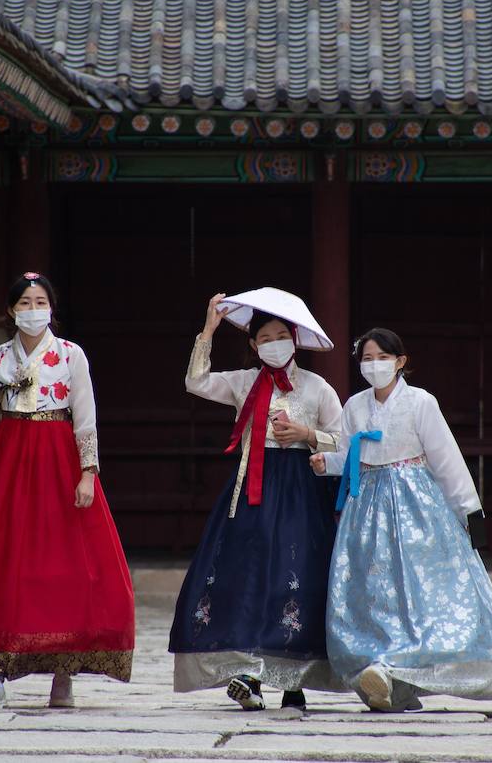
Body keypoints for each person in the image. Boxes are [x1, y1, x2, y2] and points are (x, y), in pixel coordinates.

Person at [0, 272, 134, 711]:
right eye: (24, 303)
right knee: (0, 564)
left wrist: (87, 472)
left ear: (52, 309)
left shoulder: (69, 355)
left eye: (40, 301)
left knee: (64, 566)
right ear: (11, 310)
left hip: (58, 461)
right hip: (7, 463)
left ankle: (63, 674)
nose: (33, 309)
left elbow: (85, 415)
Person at [311, 327, 492, 712]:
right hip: (366, 508)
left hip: (416, 505)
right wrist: (326, 464)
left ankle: (409, 669)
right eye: (367, 359)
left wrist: (470, 509)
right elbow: (352, 454)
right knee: (372, 596)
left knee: (420, 593)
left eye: (382, 358)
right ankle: (385, 678)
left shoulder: (421, 402)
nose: (374, 365)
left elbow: (445, 458)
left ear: (400, 362)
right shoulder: (354, 405)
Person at [169, 291, 344, 711]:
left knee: (296, 576)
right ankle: (251, 673)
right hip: (252, 491)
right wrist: (207, 332)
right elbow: (196, 382)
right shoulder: (244, 383)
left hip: (301, 492)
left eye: (282, 335)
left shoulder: (319, 389)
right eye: (265, 338)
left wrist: (306, 435)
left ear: (296, 338)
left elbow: (345, 441)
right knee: (249, 575)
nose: (274, 343)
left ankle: (294, 684)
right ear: (254, 345)